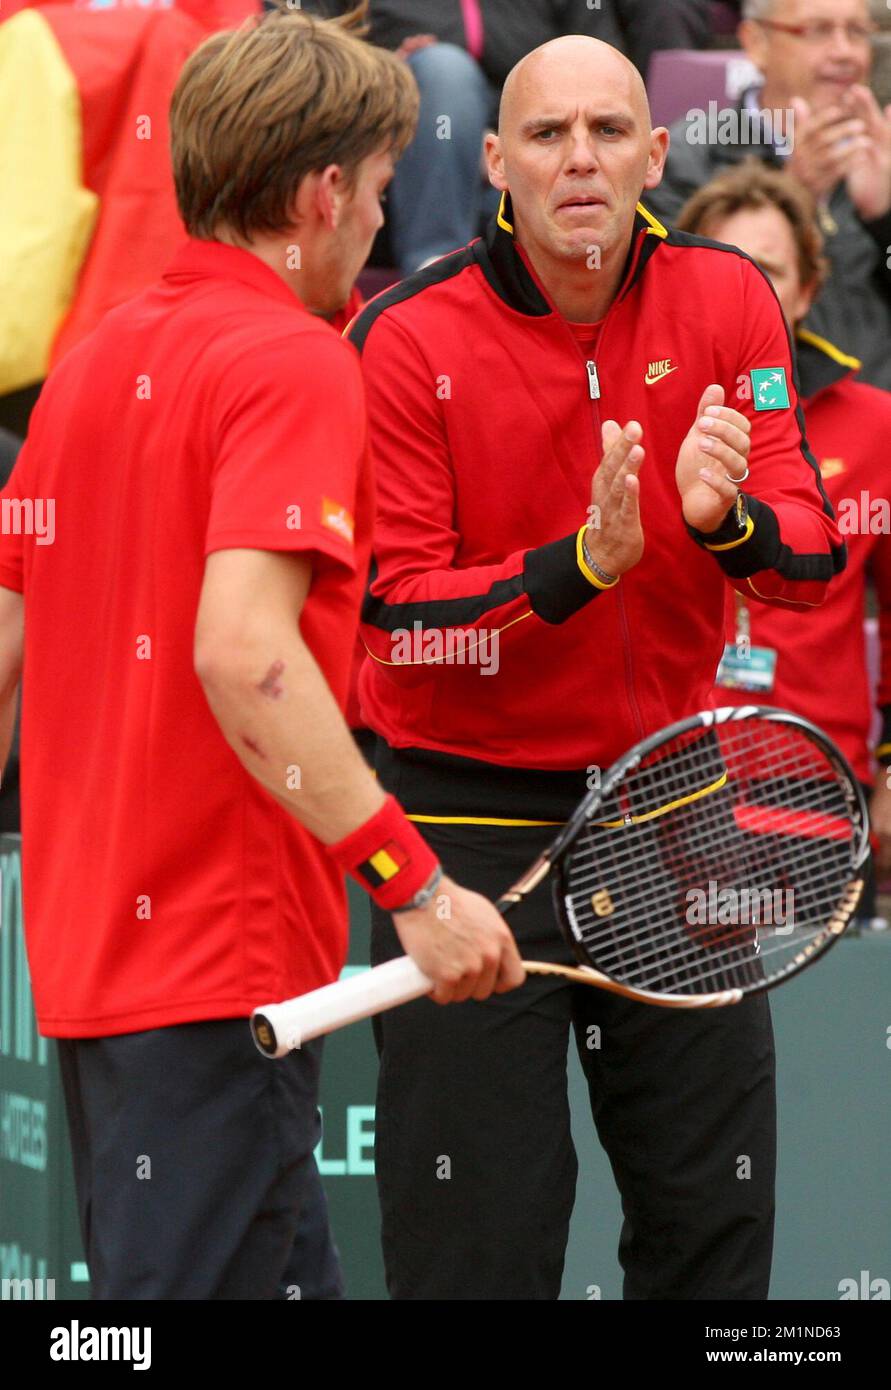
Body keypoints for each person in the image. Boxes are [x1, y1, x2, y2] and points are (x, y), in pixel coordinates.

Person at [0, 6, 523, 1300]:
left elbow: (7, 640)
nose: (386, 228)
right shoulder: (297, 361)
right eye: (385, 192)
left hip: (97, 961)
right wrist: (410, 882)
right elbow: (245, 656)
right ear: (322, 189)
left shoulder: (89, 360)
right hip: (221, 973)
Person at [349, 34, 845, 1300]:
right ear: (499, 163)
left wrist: (718, 519)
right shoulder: (401, 337)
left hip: (672, 805)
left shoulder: (731, 298)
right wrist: (581, 564)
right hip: (466, 819)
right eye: (551, 135)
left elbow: (810, 554)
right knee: (479, 1250)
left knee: (711, 1235)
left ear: (658, 155)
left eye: (611, 132)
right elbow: (400, 615)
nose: (582, 159)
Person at [676, 159, 891, 925]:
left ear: (806, 291)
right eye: (724, 269)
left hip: (815, 791)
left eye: (766, 272)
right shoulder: (636, 414)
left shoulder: (875, 426)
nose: (746, 294)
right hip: (667, 785)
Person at [298, 0, 712, 275]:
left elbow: (597, 62)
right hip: (400, 148)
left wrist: (523, 141)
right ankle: (435, 268)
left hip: (524, 153)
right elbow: (306, 56)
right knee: (444, 71)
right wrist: (379, 74)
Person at [645, 0, 891, 392]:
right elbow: (681, 307)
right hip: (752, 412)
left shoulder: (882, 151)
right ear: (756, 42)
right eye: (819, 30)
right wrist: (795, 193)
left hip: (875, 417)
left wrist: (882, 220)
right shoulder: (685, 157)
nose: (845, 52)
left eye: (858, 32)